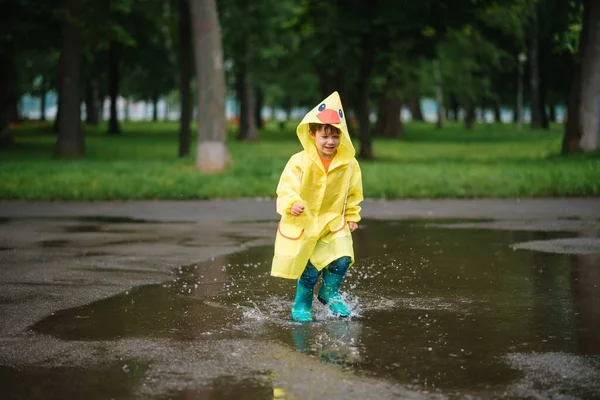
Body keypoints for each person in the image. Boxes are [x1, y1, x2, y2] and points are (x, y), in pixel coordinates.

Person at [270, 91, 363, 323]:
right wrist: (292, 204)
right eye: (325, 136)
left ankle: (329, 292)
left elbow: (353, 193)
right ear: (312, 134)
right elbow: (286, 187)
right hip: (307, 222)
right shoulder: (299, 161)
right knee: (310, 269)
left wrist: (352, 215)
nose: (330, 142)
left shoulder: (349, 164)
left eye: (335, 136)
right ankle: (302, 302)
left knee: (343, 257)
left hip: (333, 221)